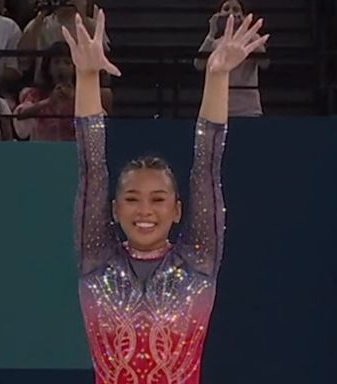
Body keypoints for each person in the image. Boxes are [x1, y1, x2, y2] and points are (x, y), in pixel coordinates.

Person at [64, 7, 268, 383]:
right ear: (114, 208)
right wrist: (87, 74)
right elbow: (91, 167)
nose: (145, 210)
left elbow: (207, 165)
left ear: (177, 210)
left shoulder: (198, 260)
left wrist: (218, 74)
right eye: (132, 199)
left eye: (158, 199)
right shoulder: (95, 257)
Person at [19, 0, 112, 113]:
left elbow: (103, 52)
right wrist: (41, 14)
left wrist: (82, 14)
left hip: (82, 82)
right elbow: (23, 58)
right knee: (26, 94)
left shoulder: (89, 24)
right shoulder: (40, 24)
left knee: (105, 95)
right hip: (46, 83)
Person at [194, 0, 269, 117]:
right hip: (218, 110)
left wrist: (248, 29)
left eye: (235, 9)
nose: (230, 13)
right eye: (226, 8)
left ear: (243, 15)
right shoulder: (215, 43)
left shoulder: (253, 39)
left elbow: (265, 63)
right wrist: (212, 32)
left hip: (248, 109)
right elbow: (198, 64)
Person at [14, 41, 77, 141]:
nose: (61, 67)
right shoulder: (35, 93)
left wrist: (75, 100)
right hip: (42, 151)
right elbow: (21, 115)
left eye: (67, 62)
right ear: (48, 66)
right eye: (56, 62)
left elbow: (97, 121)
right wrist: (49, 101)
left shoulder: (84, 94)